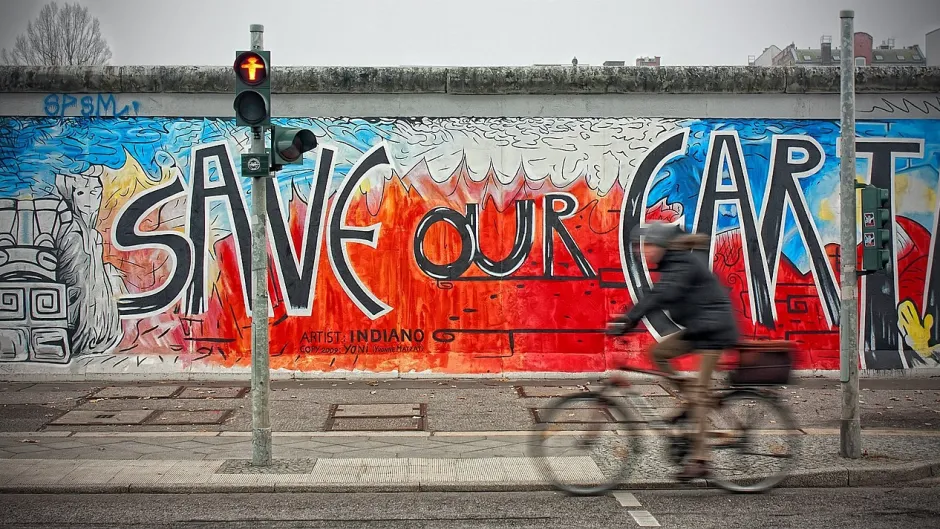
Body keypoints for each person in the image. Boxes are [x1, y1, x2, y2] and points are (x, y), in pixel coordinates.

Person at [607, 221, 739, 481]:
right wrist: (629, 319)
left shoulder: (682, 264)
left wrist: (629, 320)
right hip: (700, 327)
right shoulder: (674, 264)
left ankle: (701, 459)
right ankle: (692, 398)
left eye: (648, 246)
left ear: (663, 245)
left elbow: (661, 296)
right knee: (658, 353)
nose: (643, 252)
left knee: (700, 397)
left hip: (713, 331)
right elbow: (658, 294)